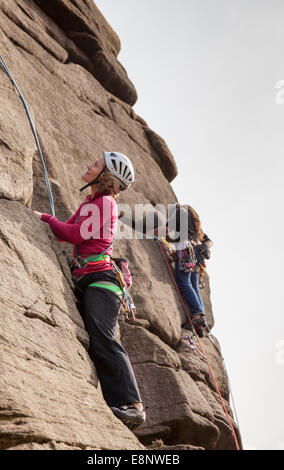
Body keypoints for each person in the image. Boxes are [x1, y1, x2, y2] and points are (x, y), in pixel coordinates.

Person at [34, 152, 146, 430]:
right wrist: (50, 222)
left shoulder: (106, 203)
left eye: (95, 165)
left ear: (106, 176)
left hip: (102, 281)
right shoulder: (92, 201)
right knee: (96, 341)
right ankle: (115, 404)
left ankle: (133, 407)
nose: (88, 166)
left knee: (104, 339)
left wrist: (45, 218)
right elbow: (69, 229)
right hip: (89, 278)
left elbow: (75, 235)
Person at [153, 204, 212, 337]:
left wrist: (145, 234)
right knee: (193, 286)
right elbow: (209, 241)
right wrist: (205, 247)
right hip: (197, 253)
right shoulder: (195, 226)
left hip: (186, 248)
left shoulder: (180, 211)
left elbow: (166, 229)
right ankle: (200, 320)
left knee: (183, 282)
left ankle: (197, 315)